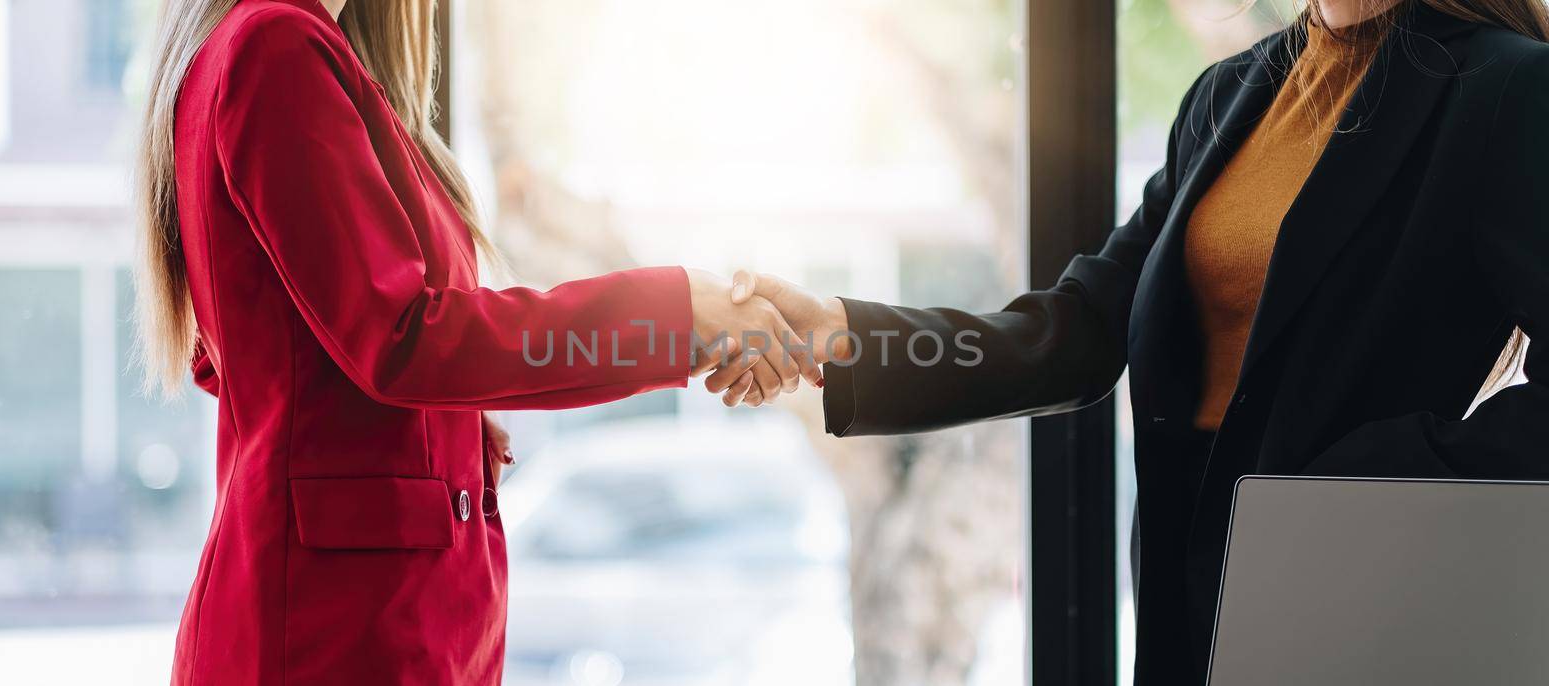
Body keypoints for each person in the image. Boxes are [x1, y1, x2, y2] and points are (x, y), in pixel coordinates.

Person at [728, 0, 1549, 683]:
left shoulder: (1508, 88)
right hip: (1178, 587)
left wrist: (1375, 479)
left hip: (1360, 586)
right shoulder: (1231, 93)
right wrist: (844, 336)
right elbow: (1077, 329)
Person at [134, 0, 816, 683]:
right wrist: (674, 318)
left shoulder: (292, 52)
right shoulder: (274, 44)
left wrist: (446, 421)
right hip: (332, 632)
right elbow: (399, 339)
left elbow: (299, 351)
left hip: (376, 620)